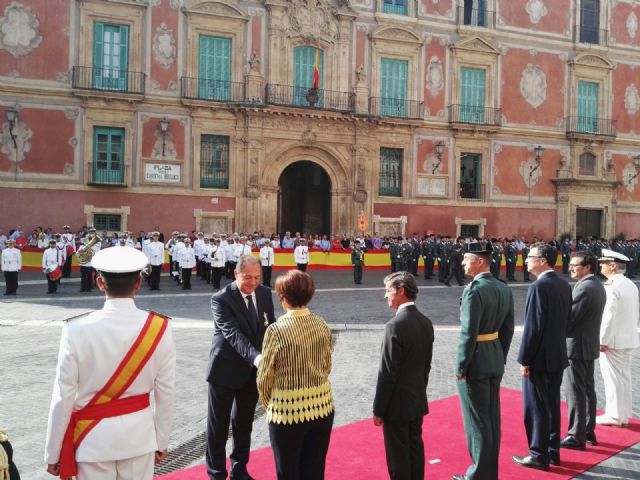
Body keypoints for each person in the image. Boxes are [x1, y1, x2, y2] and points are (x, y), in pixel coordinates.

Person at [44, 247, 175, 480]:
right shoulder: (159, 328)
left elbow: (63, 395)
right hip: (139, 439)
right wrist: (161, 439)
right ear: (138, 284)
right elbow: (166, 392)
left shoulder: (75, 329)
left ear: (99, 283)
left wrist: (53, 452)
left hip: (92, 440)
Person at [257, 270, 334, 479]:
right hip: (322, 405)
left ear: (283, 297)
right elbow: (327, 365)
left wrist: (271, 405)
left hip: (287, 411)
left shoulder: (276, 330)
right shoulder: (322, 324)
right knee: (315, 470)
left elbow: (264, 377)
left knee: (288, 472)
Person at [206, 255, 276, 480]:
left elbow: (270, 327)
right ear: (236, 274)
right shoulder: (221, 299)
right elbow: (232, 334)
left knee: (243, 423)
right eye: (248, 278)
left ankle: (239, 468)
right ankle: (216, 472)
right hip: (224, 370)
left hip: (252, 373)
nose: (253, 282)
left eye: (257, 277)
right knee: (219, 426)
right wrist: (258, 358)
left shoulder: (264, 293)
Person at [453, 242, 514, 480]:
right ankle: (488, 472)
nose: (462, 263)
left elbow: (468, 334)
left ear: (479, 261)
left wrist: (460, 365)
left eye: (466, 258)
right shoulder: (502, 287)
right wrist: (500, 355)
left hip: (476, 363)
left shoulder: (474, 290)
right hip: (494, 358)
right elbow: (507, 329)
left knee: (476, 421)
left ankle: (478, 475)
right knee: (491, 419)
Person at [513, 242, 571, 471]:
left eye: (530, 256)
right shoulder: (564, 285)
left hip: (539, 358)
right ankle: (553, 450)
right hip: (557, 354)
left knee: (535, 407)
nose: (526, 260)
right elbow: (567, 322)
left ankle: (538, 454)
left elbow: (533, 328)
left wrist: (525, 360)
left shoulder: (538, 287)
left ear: (542, 261)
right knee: (552, 405)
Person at [373, 271, 434, 480]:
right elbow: (426, 366)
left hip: (396, 405)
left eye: (388, 290)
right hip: (416, 399)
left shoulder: (394, 326)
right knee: (415, 449)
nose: (385, 296)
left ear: (401, 291)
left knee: (398, 456)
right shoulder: (426, 322)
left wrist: (379, 409)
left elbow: (387, 373)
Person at [560, 250, 606, 450]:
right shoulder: (596, 284)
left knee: (575, 391)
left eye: (575, 264)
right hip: (587, 345)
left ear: (587, 267)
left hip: (576, 346)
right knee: (587, 390)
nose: (570, 267)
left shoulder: (585, 288)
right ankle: (587, 431)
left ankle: (575, 435)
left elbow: (570, 321)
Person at [596, 248, 640, 426]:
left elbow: (608, 316)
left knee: (612, 378)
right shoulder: (630, 284)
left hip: (613, 341)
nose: (601, 266)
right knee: (623, 377)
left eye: (604, 263)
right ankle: (622, 414)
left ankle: (614, 415)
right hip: (628, 338)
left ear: (613, 266)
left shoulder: (611, 286)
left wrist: (602, 340)